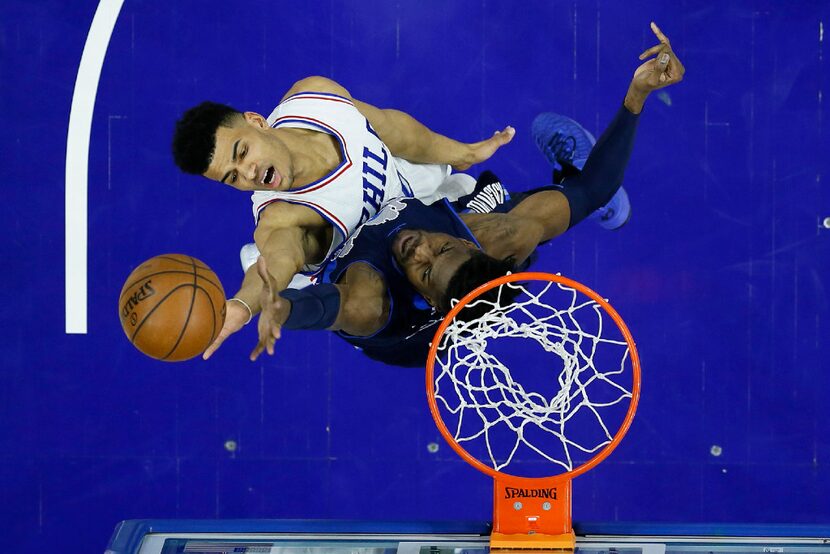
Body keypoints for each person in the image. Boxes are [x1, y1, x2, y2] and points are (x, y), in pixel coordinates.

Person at [251, 22, 685, 366]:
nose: (419, 249)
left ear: (429, 297)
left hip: (384, 317)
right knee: (532, 208)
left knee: (268, 261)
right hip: (466, 256)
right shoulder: (497, 237)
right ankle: (568, 178)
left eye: (423, 271)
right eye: (440, 250)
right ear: (463, 240)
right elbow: (595, 187)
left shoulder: (370, 301)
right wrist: (637, 93)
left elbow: (325, 307)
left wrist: (279, 307)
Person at [173, 76, 517, 358]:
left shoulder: (316, 100)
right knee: (376, 312)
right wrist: (244, 305)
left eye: (242, 152)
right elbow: (279, 257)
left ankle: (461, 196)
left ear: (257, 122)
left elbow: (394, 130)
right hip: (366, 271)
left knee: (476, 204)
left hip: (405, 203)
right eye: (232, 177)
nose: (248, 173)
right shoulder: (280, 217)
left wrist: (466, 153)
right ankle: (283, 275)